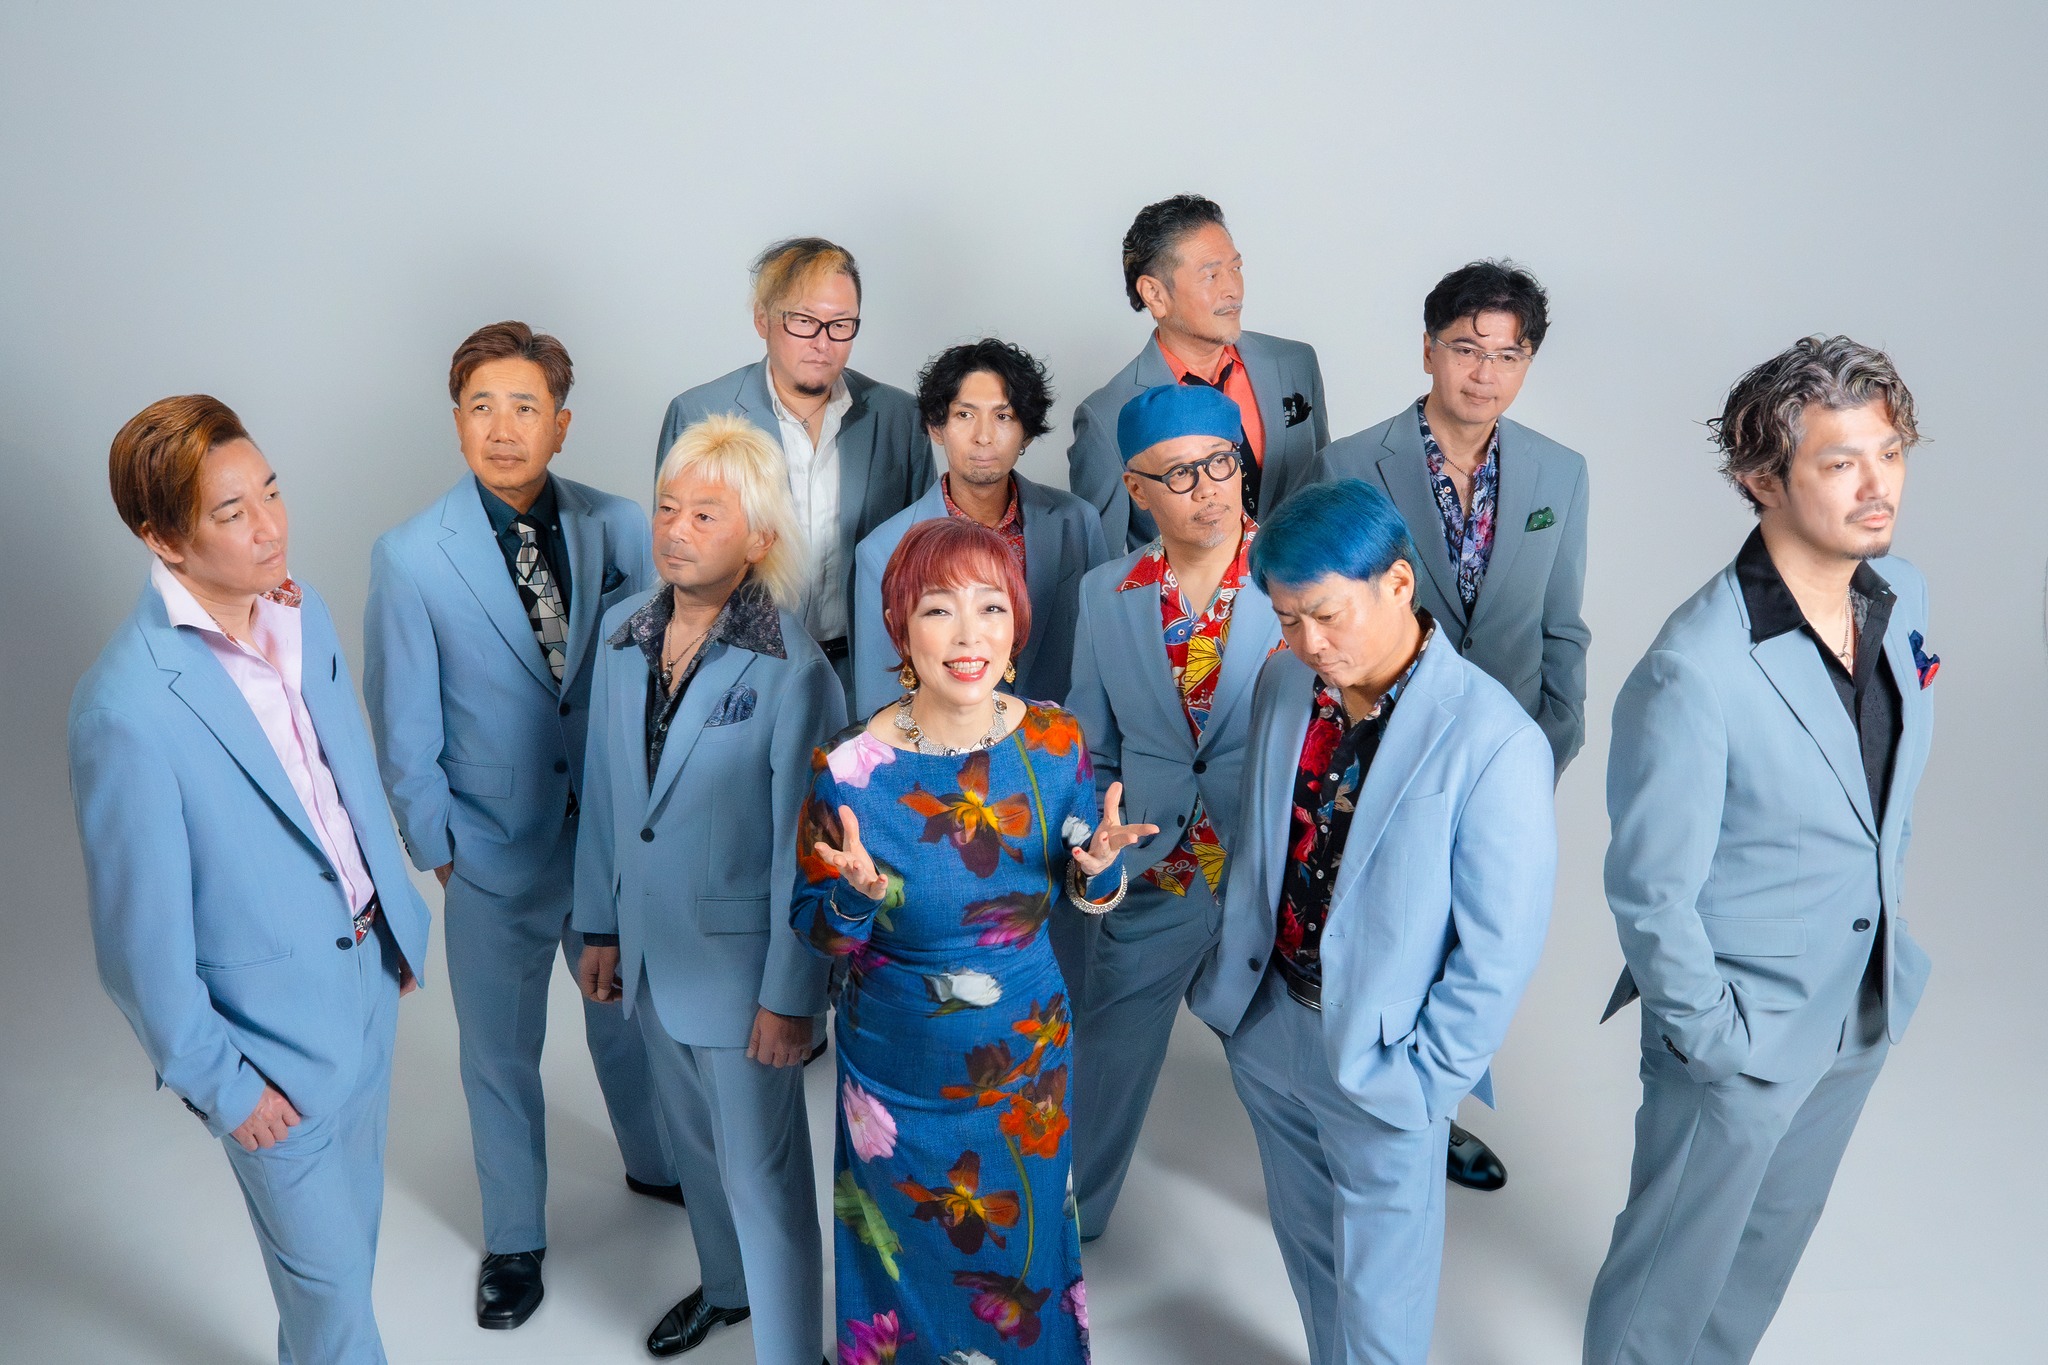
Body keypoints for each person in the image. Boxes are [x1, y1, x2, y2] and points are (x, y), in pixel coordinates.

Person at [1584, 337, 1936, 1365]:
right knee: (1662, 1289)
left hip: (1857, 1004)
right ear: (1761, 480)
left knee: (1755, 1269)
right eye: (1840, 462)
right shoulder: (1693, 668)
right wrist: (1714, 1043)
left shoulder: (1903, 594)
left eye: (1889, 454)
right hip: (1738, 1032)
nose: (1876, 487)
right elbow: (1649, 893)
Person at [70, 396, 433, 1364]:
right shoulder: (125, 709)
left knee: (346, 1265)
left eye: (271, 491)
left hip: (369, 981)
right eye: (232, 513)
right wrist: (225, 1088)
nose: (270, 526)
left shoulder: (300, 617)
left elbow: (341, 781)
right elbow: (136, 949)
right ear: (163, 539)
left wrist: (394, 924)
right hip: (266, 1046)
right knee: (333, 1306)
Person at [1189, 479, 1555, 1365]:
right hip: (1266, 1023)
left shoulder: (1496, 741)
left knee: (1382, 1308)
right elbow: (1261, 840)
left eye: (1325, 614)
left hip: (1386, 1062)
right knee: (1313, 1257)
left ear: (1397, 583)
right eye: (1287, 620)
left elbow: (1498, 951)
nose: (1308, 642)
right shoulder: (1285, 681)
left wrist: (1425, 1084)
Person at [361, 322, 679, 1330]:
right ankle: (513, 1240)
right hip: (491, 851)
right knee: (498, 1054)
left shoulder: (619, 525)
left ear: (562, 424)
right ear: (457, 421)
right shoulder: (411, 556)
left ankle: (655, 1162)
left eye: (525, 408)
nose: (503, 429)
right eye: (481, 408)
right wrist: (441, 850)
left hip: (608, 842)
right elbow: (403, 725)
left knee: (626, 1020)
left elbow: (657, 676)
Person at [792, 517, 1154, 1365]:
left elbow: (1084, 886)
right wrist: (853, 897)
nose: (969, 635)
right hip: (895, 1075)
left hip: (1027, 1065)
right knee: (898, 1262)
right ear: (901, 630)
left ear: (1016, 623)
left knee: (1023, 1261)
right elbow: (818, 934)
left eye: (991, 607)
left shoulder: (1055, 741)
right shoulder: (846, 769)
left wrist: (1101, 870)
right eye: (938, 610)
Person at [1309, 260, 1591, 1191]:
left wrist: (1545, 747)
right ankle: (1366, 1104)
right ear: (1429, 349)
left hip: (1504, 759)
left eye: (1508, 355)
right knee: (1386, 933)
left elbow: (1562, 628)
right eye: (1467, 349)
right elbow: (1318, 617)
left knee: (1478, 938)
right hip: (1381, 750)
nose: (1485, 372)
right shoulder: (1351, 464)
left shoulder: (1560, 472)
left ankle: (1435, 1102)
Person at [573, 414, 845, 1363]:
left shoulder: (792, 670)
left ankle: (791, 1350)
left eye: (705, 514)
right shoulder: (622, 637)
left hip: (744, 978)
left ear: (759, 537)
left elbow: (805, 852)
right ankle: (727, 1288)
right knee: (696, 1152)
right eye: (666, 507)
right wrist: (599, 925)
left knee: (765, 1179)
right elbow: (610, 796)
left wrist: (791, 995)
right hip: (652, 959)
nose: (676, 528)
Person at [1062, 383, 1283, 1240]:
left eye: (1221, 464)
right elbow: (1091, 745)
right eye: (1179, 474)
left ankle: (1329, 1229)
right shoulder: (1104, 593)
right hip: (1156, 865)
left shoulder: (1298, 576)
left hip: (1273, 869)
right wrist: (1100, 841)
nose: (1208, 489)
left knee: (1296, 1076)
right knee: (1105, 1059)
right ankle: (1066, 1230)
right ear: (1136, 488)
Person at [656, 236, 936, 686]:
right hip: (737, 669)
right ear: (763, 319)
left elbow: (925, 559)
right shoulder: (699, 413)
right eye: (804, 321)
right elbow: (676, 555)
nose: (823, 343)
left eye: (840, 324)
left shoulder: (899, 418)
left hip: (867, 669)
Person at [849, 338, 1109, 718]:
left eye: (1003, 417)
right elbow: (879, 700)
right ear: (936, 427)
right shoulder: (883, 550)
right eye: (964, 415)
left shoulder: (1078, 524)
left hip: (1061, 741)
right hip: (941, 747)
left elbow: (1105, 659)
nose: (983, 436)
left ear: (1027, 432)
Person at [1068, 194, 1329, 552]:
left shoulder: (1295, 362)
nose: (1233, 290)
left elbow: (1326, 494)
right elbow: (1102, 563)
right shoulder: (1106, 415)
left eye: (1236, 268)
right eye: (1211, 275)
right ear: (1154, 294)